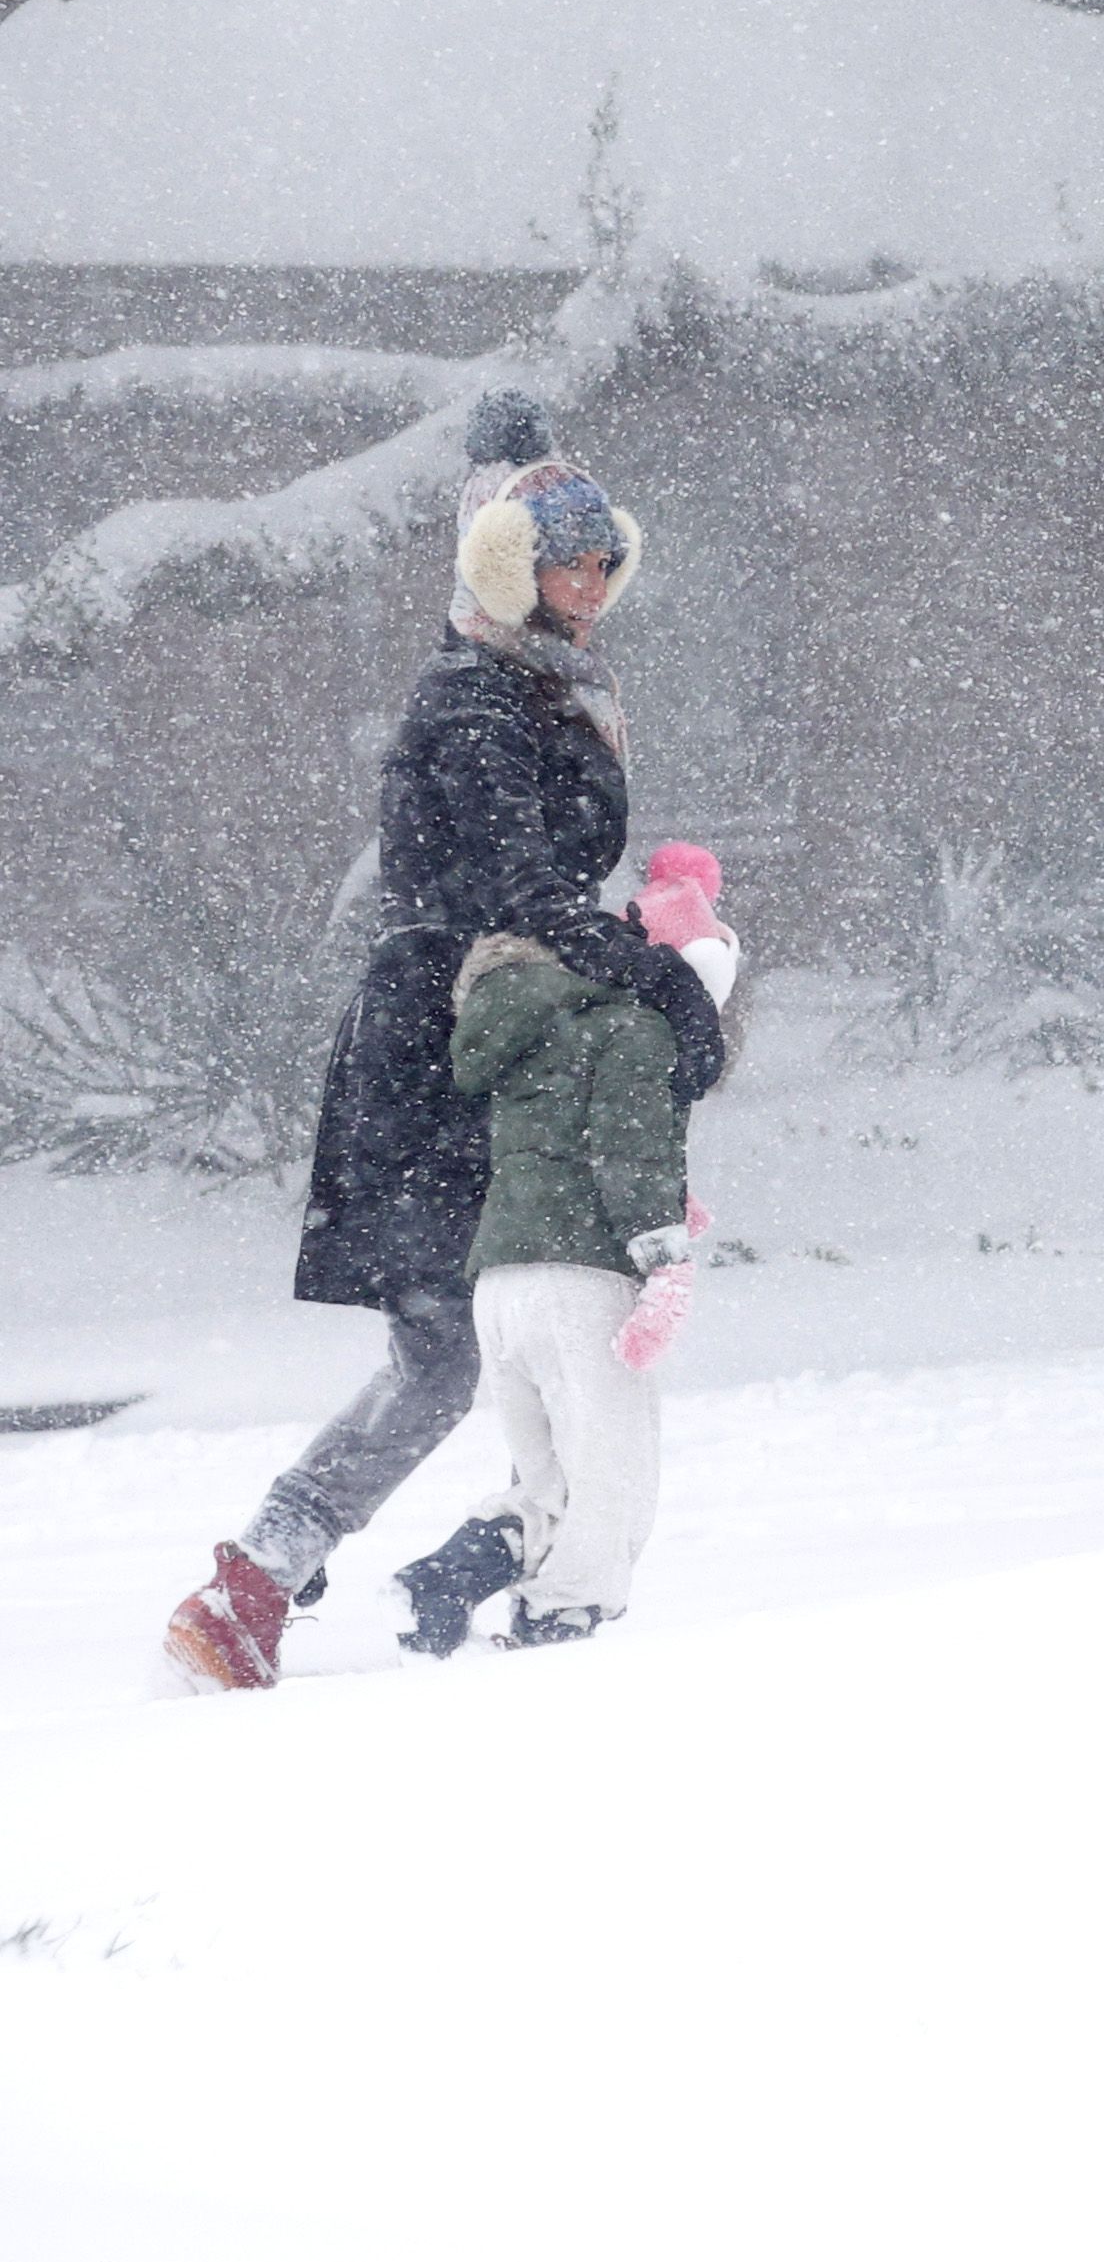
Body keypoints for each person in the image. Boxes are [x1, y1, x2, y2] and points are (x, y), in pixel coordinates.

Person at [160, 401, 730, 1691]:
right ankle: (259, 1576)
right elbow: (521, 890)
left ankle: (493, 1552)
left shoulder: (533, 680)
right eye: (558, 560)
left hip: (509, 1034)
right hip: (438, 1049)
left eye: (601, 560)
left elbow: (536, 901)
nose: (588, 586)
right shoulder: (474, 697)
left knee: (541, 1316)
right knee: (454, 1342)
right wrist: (652, 971)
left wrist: (646, 954)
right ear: (505, 568)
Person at [439, 837, 738, 1646]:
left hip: (500, 1283)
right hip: (582, 1281)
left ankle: (442, 1579)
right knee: (616, 1482)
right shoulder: (636, 1027)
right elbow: (626, 1150)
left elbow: (563, 1137)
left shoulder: (544, 1023)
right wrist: (664, 1254)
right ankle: (560, 1624)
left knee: (551, 1487)